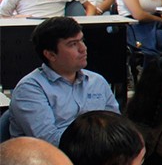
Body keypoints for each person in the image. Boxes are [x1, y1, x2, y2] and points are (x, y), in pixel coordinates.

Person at [9, 17, 120, 145]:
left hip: (97, 156)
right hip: (50, 160)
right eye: (73, 44)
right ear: (50, 55)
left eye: (82, 40)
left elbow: (116, 125)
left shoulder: (97, 81)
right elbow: (49, 142)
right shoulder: (30, 89)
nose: (83, 48)